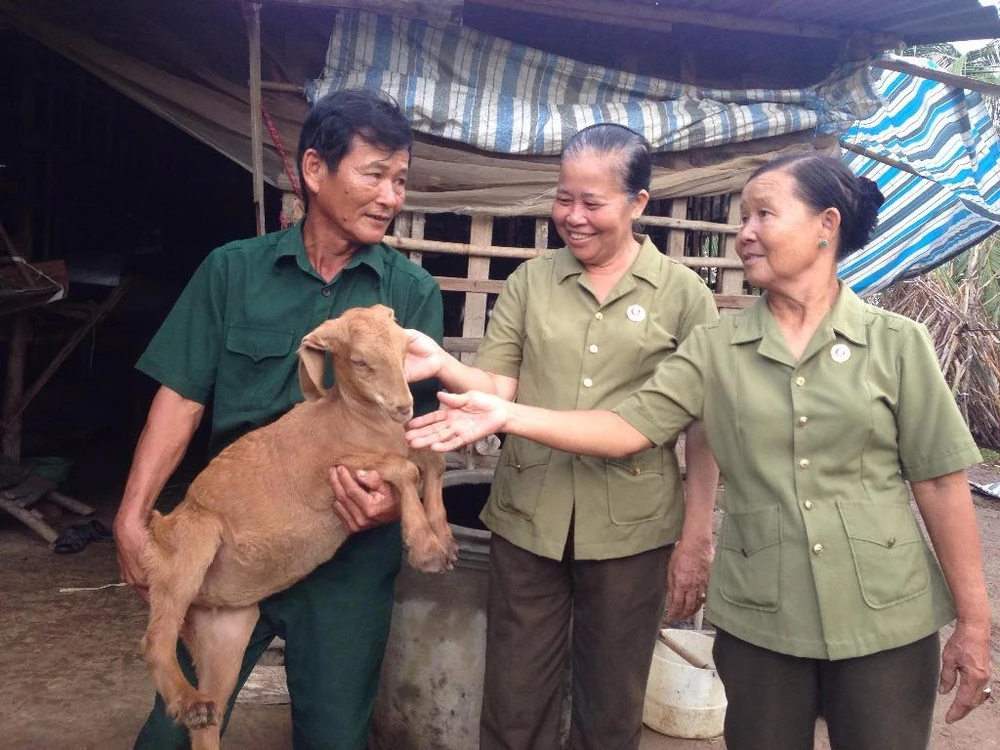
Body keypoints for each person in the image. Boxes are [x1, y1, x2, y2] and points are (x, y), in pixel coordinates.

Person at [407, 152, 995, 750]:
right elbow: (628, 426)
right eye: (743, 217)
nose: (743, 234)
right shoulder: (717, 347)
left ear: (827, 224)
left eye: (764, 214)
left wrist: (975, 623)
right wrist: (505, 412)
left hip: (886, 608)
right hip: (763, 609)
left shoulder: (897, 343)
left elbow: (942, 484)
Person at [338, 122, 720, 750]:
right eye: (563, 197)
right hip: (528, 521)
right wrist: (441, 364)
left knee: (611, 711)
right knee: (513, 708)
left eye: (592, 202)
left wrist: (697, 535)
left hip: (633, 531)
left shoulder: (682, 297)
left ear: (638, 203)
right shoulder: (531, 282)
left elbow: (701, 426)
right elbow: (497, 386)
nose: (573, 216)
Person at [112, 88, 443, 750]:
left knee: (333, 739)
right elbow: (181, 396)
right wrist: (132, 512)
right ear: (315, 171)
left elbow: (422, 432)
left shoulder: (409, 295)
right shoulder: (232, 271)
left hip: (344, 551)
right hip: (237, 535)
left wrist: (388, 503)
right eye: (374, 174)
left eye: (401, 180)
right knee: (171, 738)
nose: (391, 196)